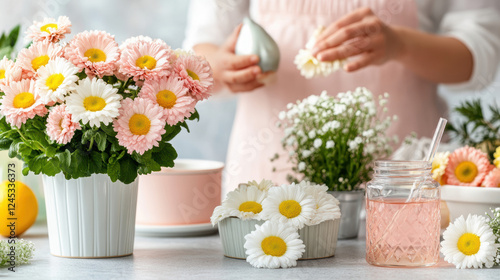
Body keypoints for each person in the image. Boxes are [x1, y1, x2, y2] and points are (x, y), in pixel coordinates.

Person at [184, 0, 500, 194]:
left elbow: (480, 58)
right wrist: (222, 70)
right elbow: (201, 47)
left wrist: (399, 44)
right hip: (267, 184)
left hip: (402, 186)